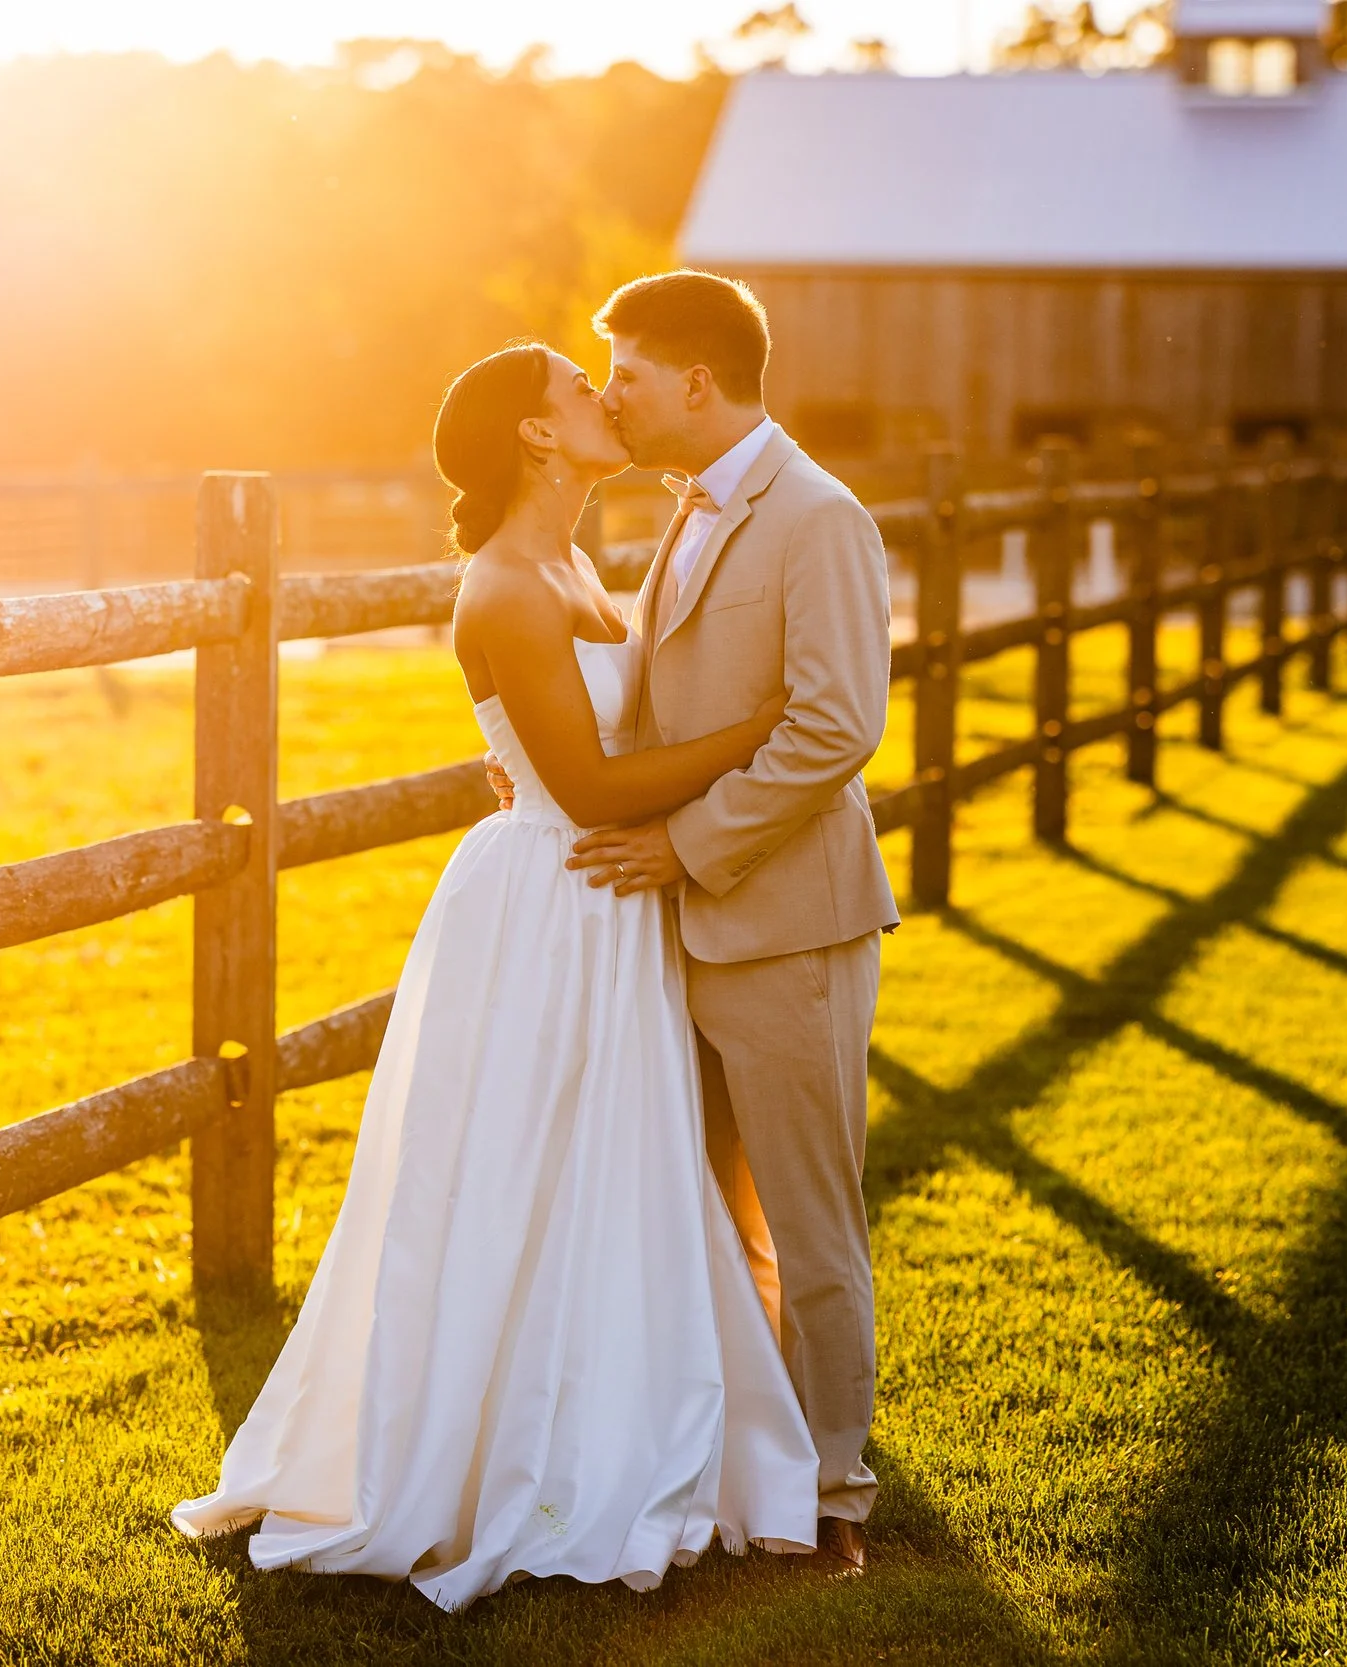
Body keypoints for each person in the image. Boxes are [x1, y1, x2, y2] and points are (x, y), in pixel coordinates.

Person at [170, 340, 821, 1612]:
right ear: (534, 434)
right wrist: (769, 728)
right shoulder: (508, 587)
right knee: (520, 1161)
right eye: (584, 389)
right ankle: (488, 1449)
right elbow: (583, 785)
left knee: (610, 1159)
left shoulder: (573, 562)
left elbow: (579, 739)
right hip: (550, 897)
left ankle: (606, 1406)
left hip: (604, 896)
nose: (608, 398)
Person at [539, 270, 900, 1575]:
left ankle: (838, 1497)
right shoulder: (683, 507)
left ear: (698, 381)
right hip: (670, 936)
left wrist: (682, 843)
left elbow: (835, 725)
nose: (611, 396)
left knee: (808, 1221)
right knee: (686, 1210)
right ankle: (726, 1458)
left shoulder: (817, 516)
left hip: (788, 924)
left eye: (625, 372)